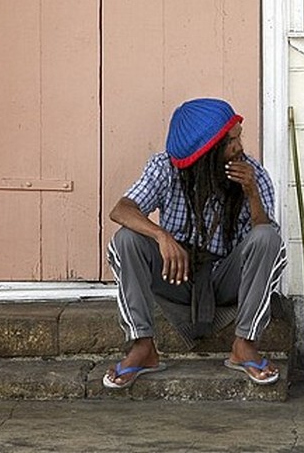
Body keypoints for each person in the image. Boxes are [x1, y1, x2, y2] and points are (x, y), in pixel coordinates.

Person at [102, 97, 287, 388]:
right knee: (125, 240)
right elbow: (121, 210)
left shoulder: (252, 173)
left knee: (267, 238)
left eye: (239, 138)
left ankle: (245, 344)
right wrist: (161, 236)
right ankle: (142, 346)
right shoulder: (165, 168)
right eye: (230, 142)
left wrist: (251, 192)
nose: (239, 147)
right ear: (206, 153)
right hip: (176, 275)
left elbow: (264, 237)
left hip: (224, 277)